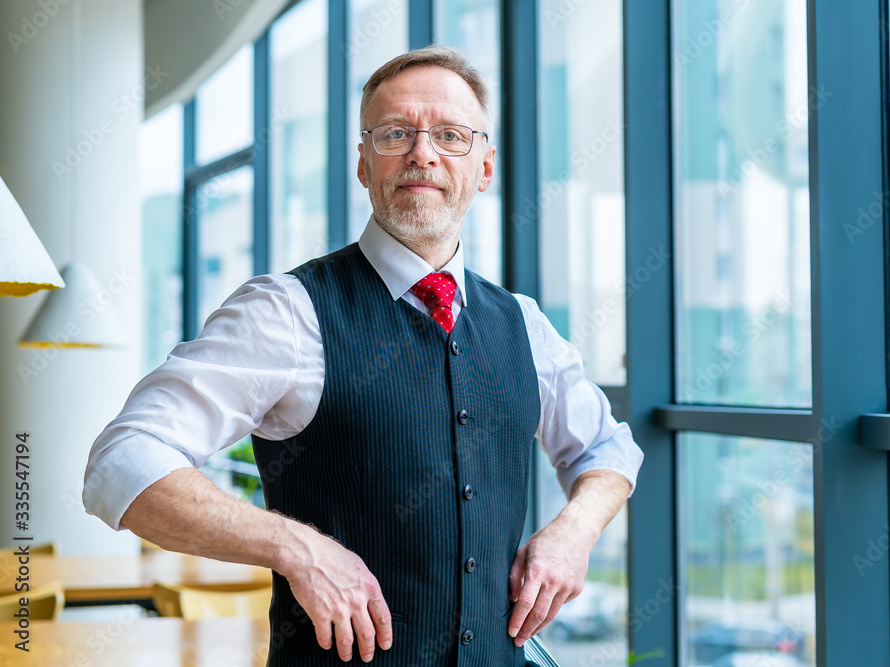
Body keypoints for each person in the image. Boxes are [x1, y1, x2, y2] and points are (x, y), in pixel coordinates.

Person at [83, 46, 643, 666]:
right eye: (395, 133)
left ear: (483, 167)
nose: (422, 153)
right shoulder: (287, 312)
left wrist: (574, 531)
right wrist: (296, 547)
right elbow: (123, 461)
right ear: (363, 163)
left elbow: (607, 449)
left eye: (450, 136)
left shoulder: (525, 325)